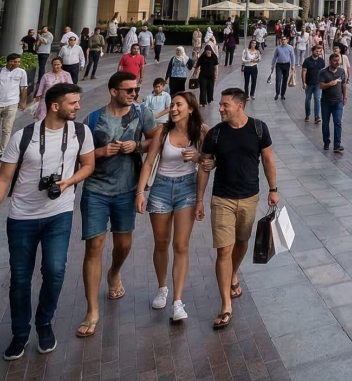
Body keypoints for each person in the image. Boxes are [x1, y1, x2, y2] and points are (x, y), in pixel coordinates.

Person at [0, 83, 95, 360]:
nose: (78, 107)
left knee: (54, 271)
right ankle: (19, 333)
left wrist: (69, 182)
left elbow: (88, 165)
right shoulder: (23, 136)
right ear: (55, 106)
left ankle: (44, 324)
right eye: (73, 103)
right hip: (22, 217)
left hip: (59, 214)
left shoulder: (80, 132)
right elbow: (3, 180)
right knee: (20, 279)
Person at [77, 71, 160, 339]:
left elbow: (154, 142)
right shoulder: (92, 119)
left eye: (135, 89)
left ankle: (114, 271)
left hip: (127, 190)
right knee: (94, 246)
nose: (134, 94)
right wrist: (101, 152)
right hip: (96, 190)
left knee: (123, 244)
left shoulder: (142, 113)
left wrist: (136, 145)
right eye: (128, 91)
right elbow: (80, 154)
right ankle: (92, 310)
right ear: (113, 91)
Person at [197, 88, 278, 331]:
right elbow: (203, 166)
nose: (220, 108)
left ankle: (233, 274)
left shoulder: (258, 128)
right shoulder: (215, 133)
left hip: (250, 197)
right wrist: (199, 199)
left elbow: (268, 160)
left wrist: (273, 189)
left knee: (242, 241)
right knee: (224, 249)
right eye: (220, 105)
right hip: (222, 198)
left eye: (225, 105)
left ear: (239, 106)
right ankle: (225, 305)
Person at [135, 90, 205, 324]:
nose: (173, 109)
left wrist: (196, 158)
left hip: (187, 188)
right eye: (172, 105)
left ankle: (177, 301)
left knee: (181, 245)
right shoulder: (163, 131)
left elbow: (210, 161)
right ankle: (162, 287)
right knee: (161, 243)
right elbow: (149, 162)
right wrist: (140, 192)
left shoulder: (201, 131)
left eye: (179, 105)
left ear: (191, 108)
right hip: (161, 188)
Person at [0, 54, 30, 158]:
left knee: (7, 129)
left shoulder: (21, 72)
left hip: (12, 103)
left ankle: (2, 152)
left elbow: (24, 87)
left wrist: (24, 102)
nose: (17, 64)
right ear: (9, 61)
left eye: (19, 62)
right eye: (15, 62)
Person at [318, 50, 349, 151]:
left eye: (338, 60)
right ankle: (326, 142)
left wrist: (345, 97)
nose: (337, 62)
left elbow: (343, 84)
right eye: (335, 61)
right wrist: (329, 84)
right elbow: (321, 85)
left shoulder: (341, 71)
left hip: (338, 101)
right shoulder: (323, 72)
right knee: (325, 123)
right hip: (326, 101)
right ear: (330, 61)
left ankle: (337, 144)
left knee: (338, 122)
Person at [302, 43, 326, 123]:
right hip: (309, 83)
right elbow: (304, 71)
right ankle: (307, 114)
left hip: (318, 84)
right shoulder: (307, 61)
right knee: (308, 100)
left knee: (317, 99)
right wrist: (304, 82)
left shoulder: (321, 61)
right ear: (312, 51)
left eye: (319, 51)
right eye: (316, 51)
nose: (318, 53)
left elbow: (323, 71)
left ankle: (317, 116)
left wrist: (323, 82)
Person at [270, 35, 294, 101]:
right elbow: (274, 56)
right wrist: (272, 65)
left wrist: (293, 65)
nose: (283, 41)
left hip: (286, 65)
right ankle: (277, 93)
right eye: (282, 39)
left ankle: (283, 94)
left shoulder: (290, 48)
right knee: (278, 79)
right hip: (279, 65)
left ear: (287, 40)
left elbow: (292, 57)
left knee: (285, 80)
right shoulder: (278, 48)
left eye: (284, 39)